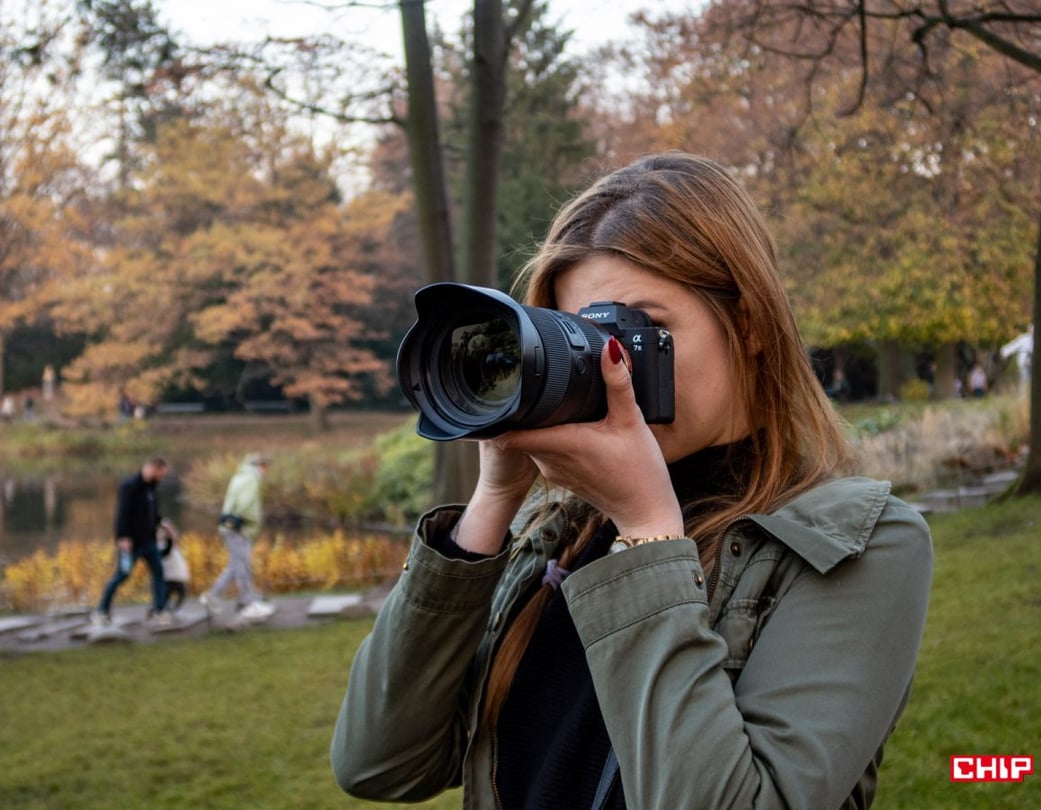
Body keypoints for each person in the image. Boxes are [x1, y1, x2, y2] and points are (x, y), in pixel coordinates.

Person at [330, 153, 934, 809]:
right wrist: (495, 499)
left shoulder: (860, 542)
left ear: (751, 327)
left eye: (639, 330)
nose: (607, 366)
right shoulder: (556, 536)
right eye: (582, 335)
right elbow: (379, 764)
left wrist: (647, 529)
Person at [91, 457, 173, 628]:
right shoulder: (129, 486)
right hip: (131, 544)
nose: (161, 478)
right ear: (152, 469)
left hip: (149, 543)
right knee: (121, 576)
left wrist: (163, 523)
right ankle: (101, 612)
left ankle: (160, 611)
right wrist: (123, 538)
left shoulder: (151, 488)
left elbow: (153, 513)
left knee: (159, 574)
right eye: (160, 474)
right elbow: (122, 514)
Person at [199, 453, 274, 620]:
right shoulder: (251, 479)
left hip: (232, 528)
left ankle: (212, 596)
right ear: (259, 466)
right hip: (239, 529)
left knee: (236, 565)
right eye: (265, 467)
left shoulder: (241, 477)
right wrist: (244, 520)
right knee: (243, 566)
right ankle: (247, 604)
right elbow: (245, 503)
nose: (266, 471)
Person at [157, 519, 189, 614]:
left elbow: (174, 538)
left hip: (178, 576)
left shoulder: (174, 545)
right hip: (169, 576)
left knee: (181, 594)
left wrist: (169, 529)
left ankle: (172, 610)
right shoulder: (162, 546)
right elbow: (169, 543)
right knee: (167, 595)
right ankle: (163, 610)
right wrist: (167, 530)